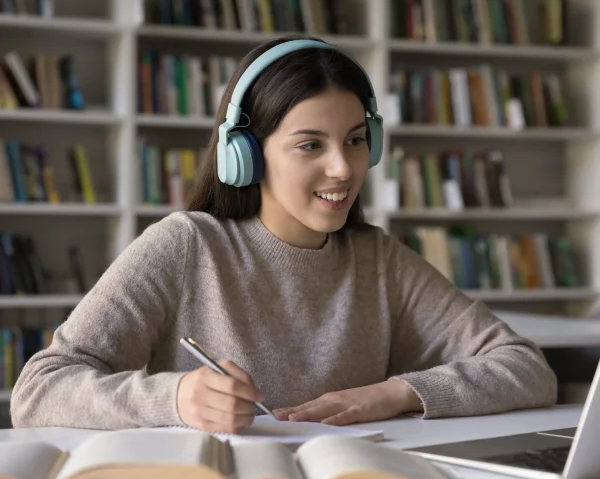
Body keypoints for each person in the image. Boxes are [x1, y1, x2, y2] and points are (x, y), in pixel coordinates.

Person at [11, 35, 557, 432]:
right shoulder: (186, 245)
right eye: (310, 144)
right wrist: (174, 398)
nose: (343, 169)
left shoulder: (379, 260)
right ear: (244, 156)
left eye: (355, 140)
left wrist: (397, 394)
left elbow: (526, 368)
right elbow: (38, 390)